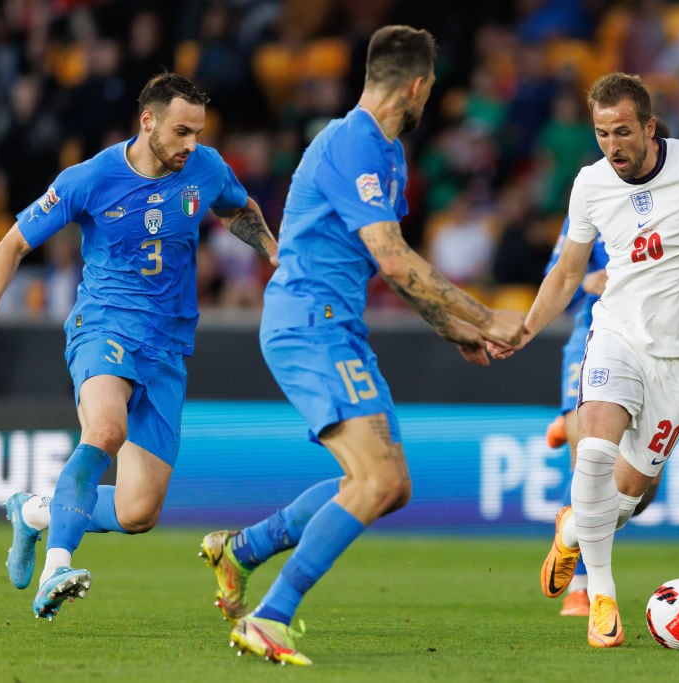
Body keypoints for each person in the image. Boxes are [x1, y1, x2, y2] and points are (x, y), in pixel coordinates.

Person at [197, 25, 525, 666]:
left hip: (335, 325)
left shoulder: (387, 153)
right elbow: (395, 259)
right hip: (309, 324)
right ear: (419, 85)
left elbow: (385, 264)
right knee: (375, 480)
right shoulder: (354, 143)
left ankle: (244, 549)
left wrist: (451, 327)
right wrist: (485, 316)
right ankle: (270, 617)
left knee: (390, 484)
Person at [0, 72, 279, 620]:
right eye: (181, 131)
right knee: (104, 429)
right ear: (148, 121)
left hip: (168, 347)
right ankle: (57, 566)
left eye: (197, 132)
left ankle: (33, 512)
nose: (191, 144)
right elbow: (10, 246)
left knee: (136, 512)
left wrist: (273, 250)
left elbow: (236, 208)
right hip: (104, 326)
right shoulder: (90, 178)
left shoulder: (206, 167)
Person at [490, 72, 679, 648]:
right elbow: (568, 272)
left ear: (649, 127)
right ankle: (601, 598)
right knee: (597, 452)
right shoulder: (590, 185)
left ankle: (574, 527)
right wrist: (528, 327)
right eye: (602, 133)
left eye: (623, 132)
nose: (613, 145)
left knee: (626, 498)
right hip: (616, 335)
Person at [543, 215, 679, 619]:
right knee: (589, 464)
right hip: (596, 340)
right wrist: (588, 281)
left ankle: (571, 524)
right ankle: (583, 588)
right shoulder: (593, 198)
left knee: (640, 492)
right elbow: (556, 274)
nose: (615, 147)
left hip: (661, 349)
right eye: (607, 144)